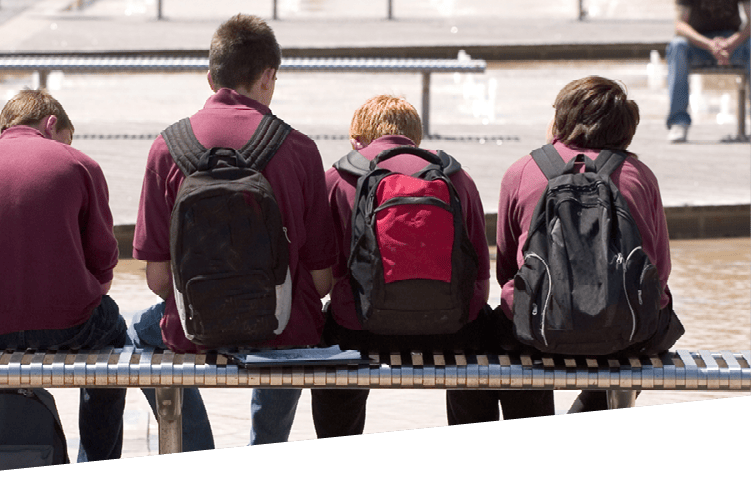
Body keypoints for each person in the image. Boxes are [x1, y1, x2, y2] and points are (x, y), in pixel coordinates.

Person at [130, 13, 336, 446]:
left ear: (211, 79)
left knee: (138, 335)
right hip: (282, 333)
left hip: (192, 330)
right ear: (268, 76)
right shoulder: (299, 150)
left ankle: (196, 442)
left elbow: (156, 278)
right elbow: (320, 280)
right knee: (295, 323)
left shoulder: (167, 148)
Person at [0, 89, 128, 476]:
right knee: (115, 336)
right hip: (72, 326)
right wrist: (84, 296)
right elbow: (104, 260)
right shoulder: (81, 165)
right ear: (51, 124)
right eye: (66, 138)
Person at [495, 76, 684, 415]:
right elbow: (660, 270)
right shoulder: (638, 175)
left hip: (537, 332)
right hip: (626, 335)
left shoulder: (522, 171)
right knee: (653, 322)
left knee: (500, 329)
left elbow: (508, 267)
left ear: (563, 119)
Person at [312, 94, 493, 437]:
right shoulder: (456, 176)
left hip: (359, 332)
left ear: (356, 139)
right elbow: (481, 278)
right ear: (416, 139)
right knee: (480, 344)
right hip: (450, 331)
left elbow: (322, 274)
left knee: (330, 342)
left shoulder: (337, 178)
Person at [666, 0, 750, 142]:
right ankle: (678, 122)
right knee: (677, 46)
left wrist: (731, 43)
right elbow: (680, 26)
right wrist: (709, 44)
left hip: (732, 42)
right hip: (698, 43)